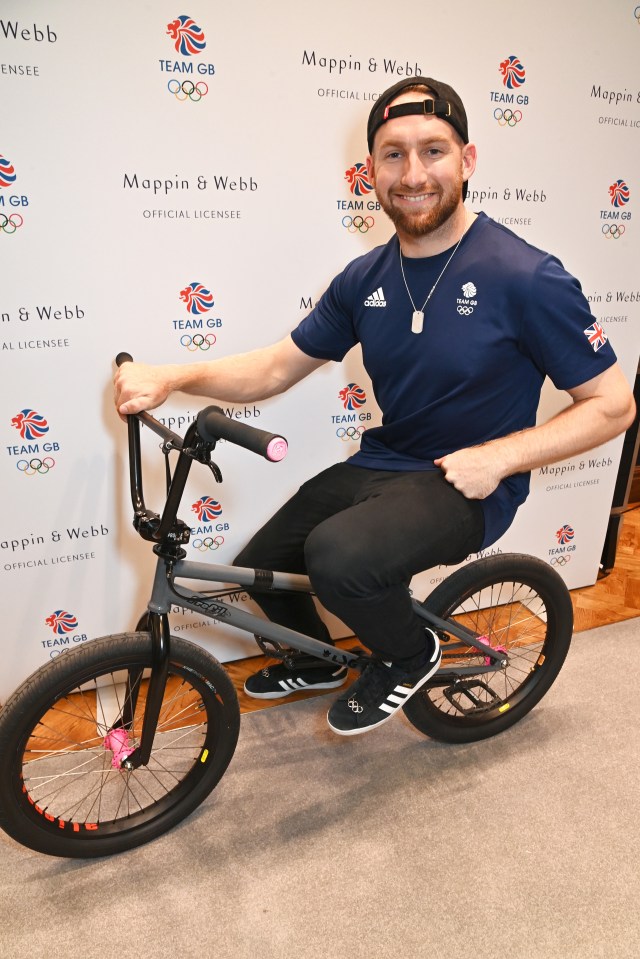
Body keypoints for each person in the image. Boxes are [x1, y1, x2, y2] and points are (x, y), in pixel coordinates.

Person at [114, 76, 635, 737]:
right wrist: (173, 375)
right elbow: (276, 366)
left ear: (467, 160)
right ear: (370, 173)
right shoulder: (366, 278)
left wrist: (500, 458)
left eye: (433, 151)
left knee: (340, 558)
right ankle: (321, 662)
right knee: (266, 564)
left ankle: (411, 652)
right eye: (393, 154)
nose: (413, 173)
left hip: (468, 481)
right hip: (387, 462)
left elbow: (613, 404)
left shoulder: (526, 277)